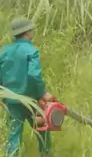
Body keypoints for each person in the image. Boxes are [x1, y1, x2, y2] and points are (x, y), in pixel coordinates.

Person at [0, 18, 54, 157]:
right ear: (28, 32)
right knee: (42, 128)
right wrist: (41, 93)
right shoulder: (31, 50)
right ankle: (45, 154)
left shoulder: (4, 51)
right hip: (31, 101)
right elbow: (34, 76)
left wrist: (3, 96)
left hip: (12, 101)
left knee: (14, 134)